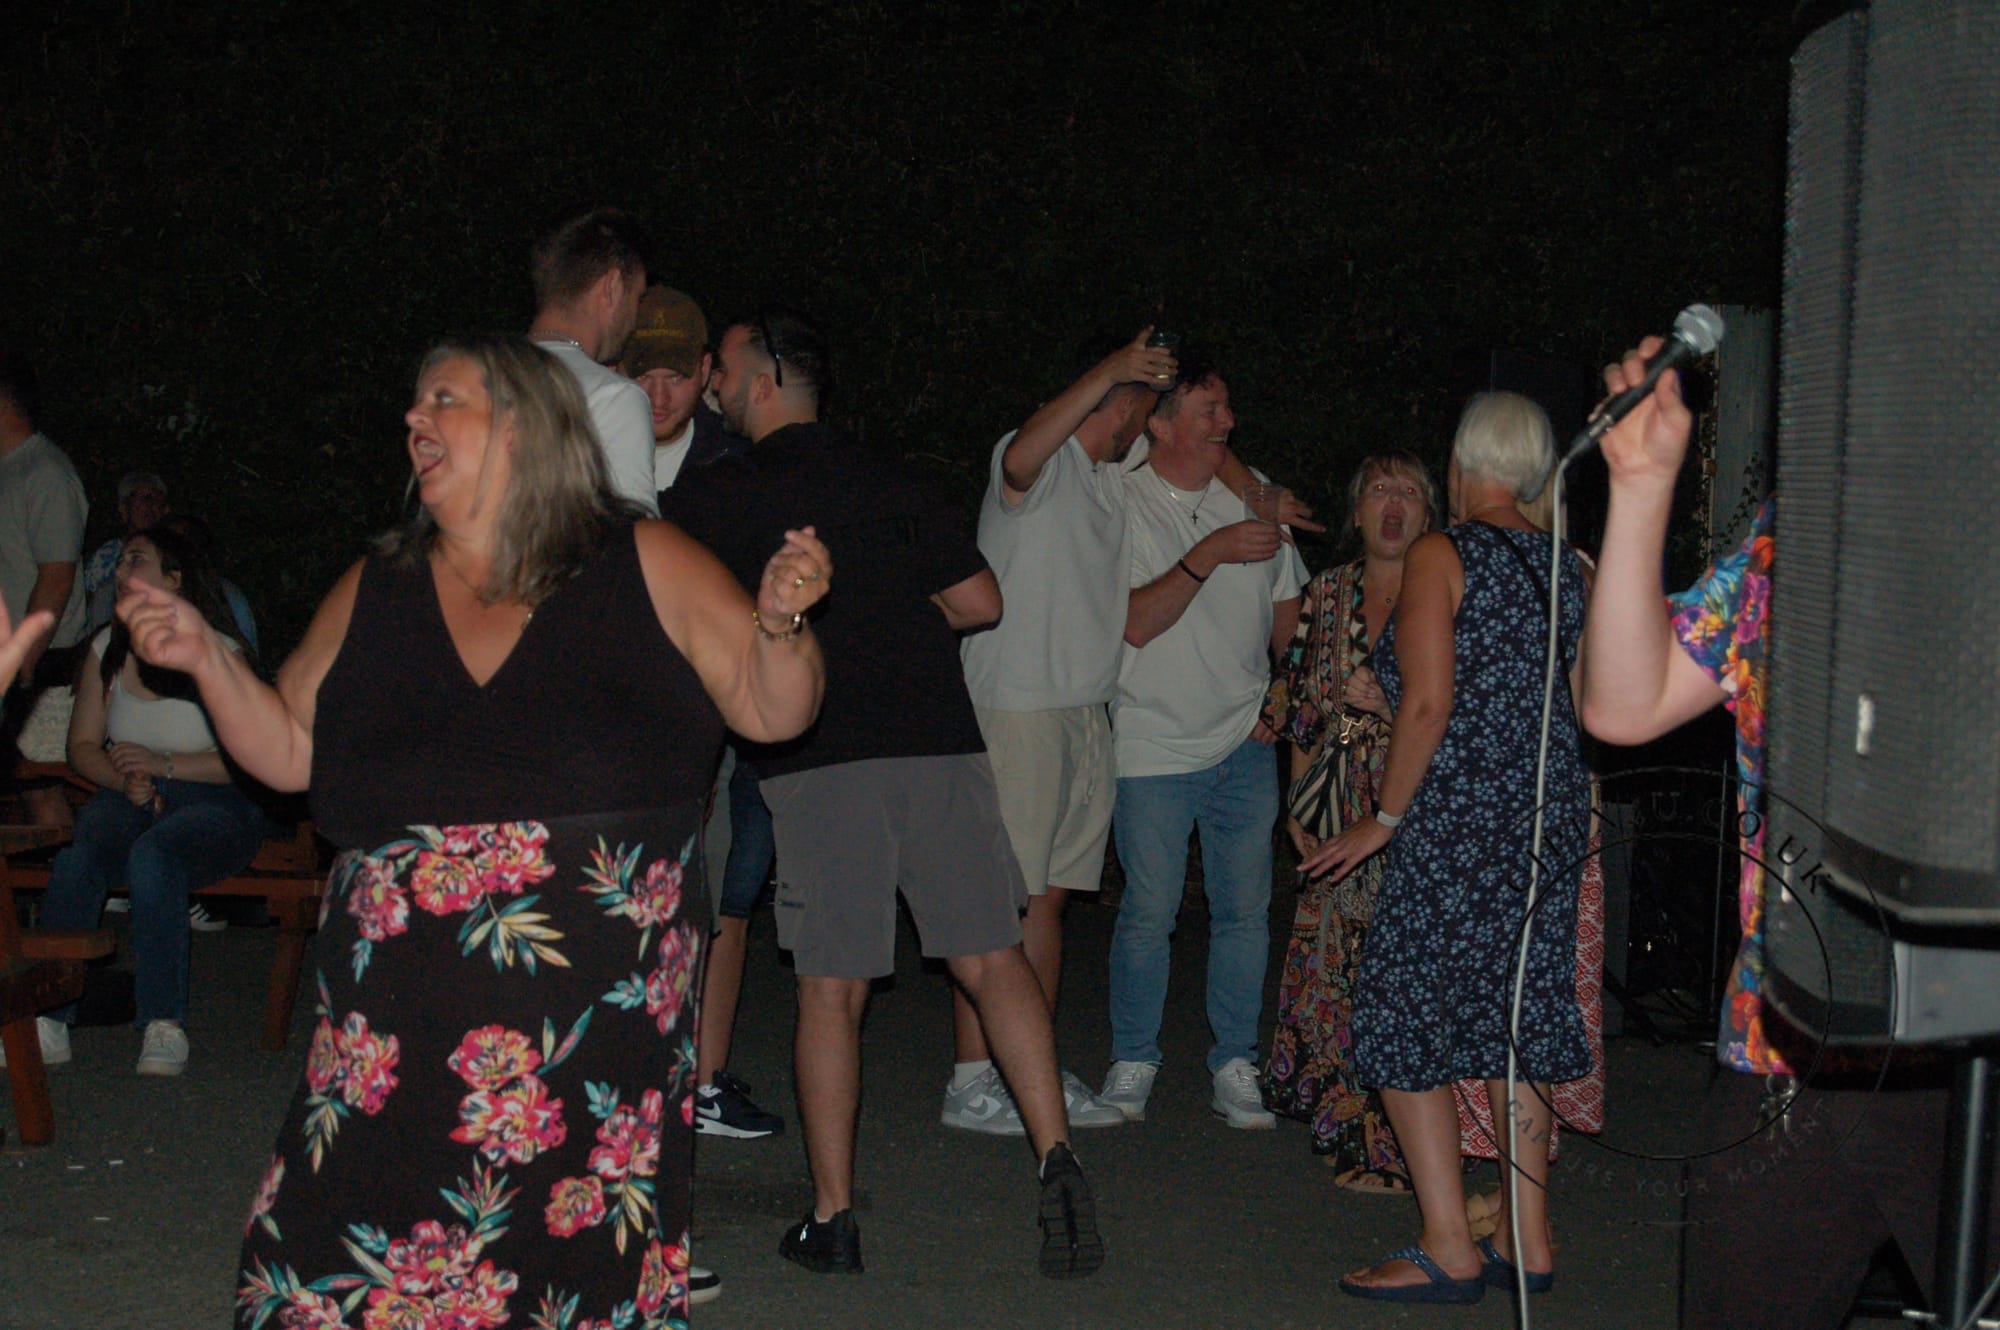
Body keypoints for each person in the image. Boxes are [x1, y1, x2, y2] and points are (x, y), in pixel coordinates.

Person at [119, 335, 829, 1330]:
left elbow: (773, 710)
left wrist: (781, 621)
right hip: (389, 1030)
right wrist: (205, 658)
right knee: (342, 1255)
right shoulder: (379, 583)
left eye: (445, 399)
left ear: (524, 427)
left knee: (563, 1274)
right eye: (414, 403)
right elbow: (285, 749)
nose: (416, 419)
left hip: (586, 1041)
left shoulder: (644, 561)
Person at [659, 308, 1105, 1280]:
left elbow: (682, 619)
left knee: (833, 988)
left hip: (819, 753)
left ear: (765, 380)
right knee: (992, 956)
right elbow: (978, 602)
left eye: (724, 366)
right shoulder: (895, 477)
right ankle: (1058, 1156)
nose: (714, 381)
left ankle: (832, 1219)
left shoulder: (715, 494)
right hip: (939, 739)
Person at [1579, 338, 1978, 1329]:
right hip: (1789, 1036)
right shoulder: (1799, 538)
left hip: (1973, 1054)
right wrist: (1641, 489)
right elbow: (1622, 705)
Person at [1305, 390, 1590, 1304]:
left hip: (1460, 818)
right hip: (1547, 817)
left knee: (1396, 1010)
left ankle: (1448, 1245)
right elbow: (1579, 707)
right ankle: (1527, 1238)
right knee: (1516, 1014)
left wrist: (1382, 820)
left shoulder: (1444, 553)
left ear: (1461, 467)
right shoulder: (1572, 563)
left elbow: (1430, 703)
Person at [943, 328, 1177, 1138]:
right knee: (997, 902)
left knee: (1048, 901)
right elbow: (1019, 457)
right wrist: (1112, 366)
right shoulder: (1038, 461)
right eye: (1144, 408)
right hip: (1019, 707)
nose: (1150, 427)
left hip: (1083, 711)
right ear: (1119, 400)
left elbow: (1203, 450)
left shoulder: (1112, 478)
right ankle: (973, 1080)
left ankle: (1028, 1070)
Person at [1102, 349, 1306, 1129]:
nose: (1228, 422)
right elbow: (1133, 622)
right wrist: (1210, 553)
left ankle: (1236, 1063)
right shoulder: (1118, 500)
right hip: (1151, 743)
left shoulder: (1253, 498)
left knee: (1245, 912)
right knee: (1148, 912)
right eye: (1209, 412)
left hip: (1244, 743)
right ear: (1159, 425)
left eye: (1226, 408)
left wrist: (1283, 697)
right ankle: (1133, 1058)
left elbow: (1290, 616)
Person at [14, 527, 271, 1076]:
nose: (120, 570)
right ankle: (47, 1019)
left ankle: (162, 1022)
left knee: (155, 855)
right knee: (79, 859)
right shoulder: (107, 648)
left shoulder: (219, 652)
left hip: (217, 800)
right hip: (130, 792)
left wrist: (164, 765)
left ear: (173, 579)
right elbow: (83, 746)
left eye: (136, 559)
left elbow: (250, 757)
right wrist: (123, 779)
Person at [619, 284, 781, 1148]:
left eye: (675, 375)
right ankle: (625, 1068)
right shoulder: (590, 449)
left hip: (719, 708)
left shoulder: (735, 462)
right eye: (641, 373)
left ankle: (705, 1081)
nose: (658, 393)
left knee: (727, 890)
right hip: (617, 710)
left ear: (708, 373)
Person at [1262, 452, 1436, 1181]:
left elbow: (1455, 716)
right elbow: (1302, 706)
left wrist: (1391, 708)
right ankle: (1347, 1125)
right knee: (1335, 972)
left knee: (1403, 978)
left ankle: (1407, 1145)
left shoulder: (1443, 593)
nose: (1392, 505)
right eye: (1378, 491)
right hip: (1338, 807)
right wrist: (1297, 805)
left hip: (1417, 807)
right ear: (1357, 512)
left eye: (1408, 492)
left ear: (1428, 514)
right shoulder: (1327, 592)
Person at [529, 207, 659, 514]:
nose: (635, 318)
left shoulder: (478, 375)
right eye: (638, 298)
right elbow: (628, 537)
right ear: (612, 287)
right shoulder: (613, 398)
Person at [82, 470, 170, 634]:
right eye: (143, 499)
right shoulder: (107, 555)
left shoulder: (172, 551)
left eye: (157, 499)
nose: (150, 506)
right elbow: (89, 603)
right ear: (124, 510)